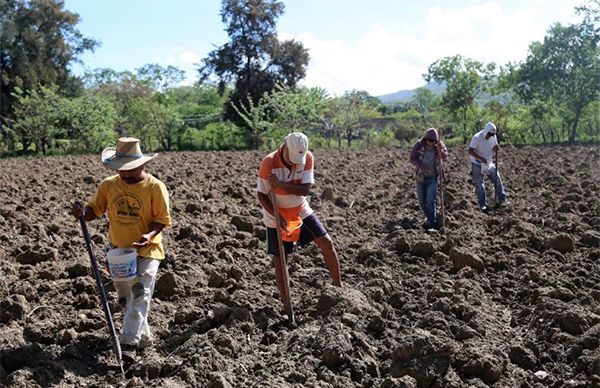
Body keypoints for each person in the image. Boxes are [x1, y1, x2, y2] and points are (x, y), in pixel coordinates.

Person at [70, 137, 171, 366]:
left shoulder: (155, 187)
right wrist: (81, 213)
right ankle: (142, 337)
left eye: (130, 170)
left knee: (140, 293)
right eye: (121, 171)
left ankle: (127, 345)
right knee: (127, 300)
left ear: (142, 164)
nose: (125, 175)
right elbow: (93, 211)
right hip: (119, 252)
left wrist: (149, 235)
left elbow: (162, 220)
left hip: (148, 251)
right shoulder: (109, 185)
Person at [256, 132, 342, 314]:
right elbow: (261, 195)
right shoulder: (269, 163)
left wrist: (279, 183)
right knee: (281, 260)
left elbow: (304, 190)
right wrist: (276, 215)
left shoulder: (307, 158)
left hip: (300, 210)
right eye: (293, 157)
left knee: (326, 243)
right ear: (284, 147)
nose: (296, 162)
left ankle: (339, 290)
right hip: (276, 215)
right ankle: (287, 305)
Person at [409, 128, 448, 231]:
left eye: (432, 141)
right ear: (425, 139)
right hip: (421, 177)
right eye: (428, 140)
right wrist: (421, 166)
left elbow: (445, 156)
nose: (430, 142)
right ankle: (429, 217)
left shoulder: (439, 145)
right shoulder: (419, 145)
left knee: (431, 200)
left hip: (433, 177)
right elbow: (412, 158)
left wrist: (441, 150)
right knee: (421, 201)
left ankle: (432, 223)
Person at [468, 122, 507, 211]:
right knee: (480, 185)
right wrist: (481, 158)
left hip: (489, 163)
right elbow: (470, 151)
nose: (491, 136)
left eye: (492, 134)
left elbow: (494, 147)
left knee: (497, 179)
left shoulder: (493, 137)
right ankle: (483, 205)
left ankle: (502, 200)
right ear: (485, 131)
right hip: (477, 163)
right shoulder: (477, 137)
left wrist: (496, 148)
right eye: (489, 134)